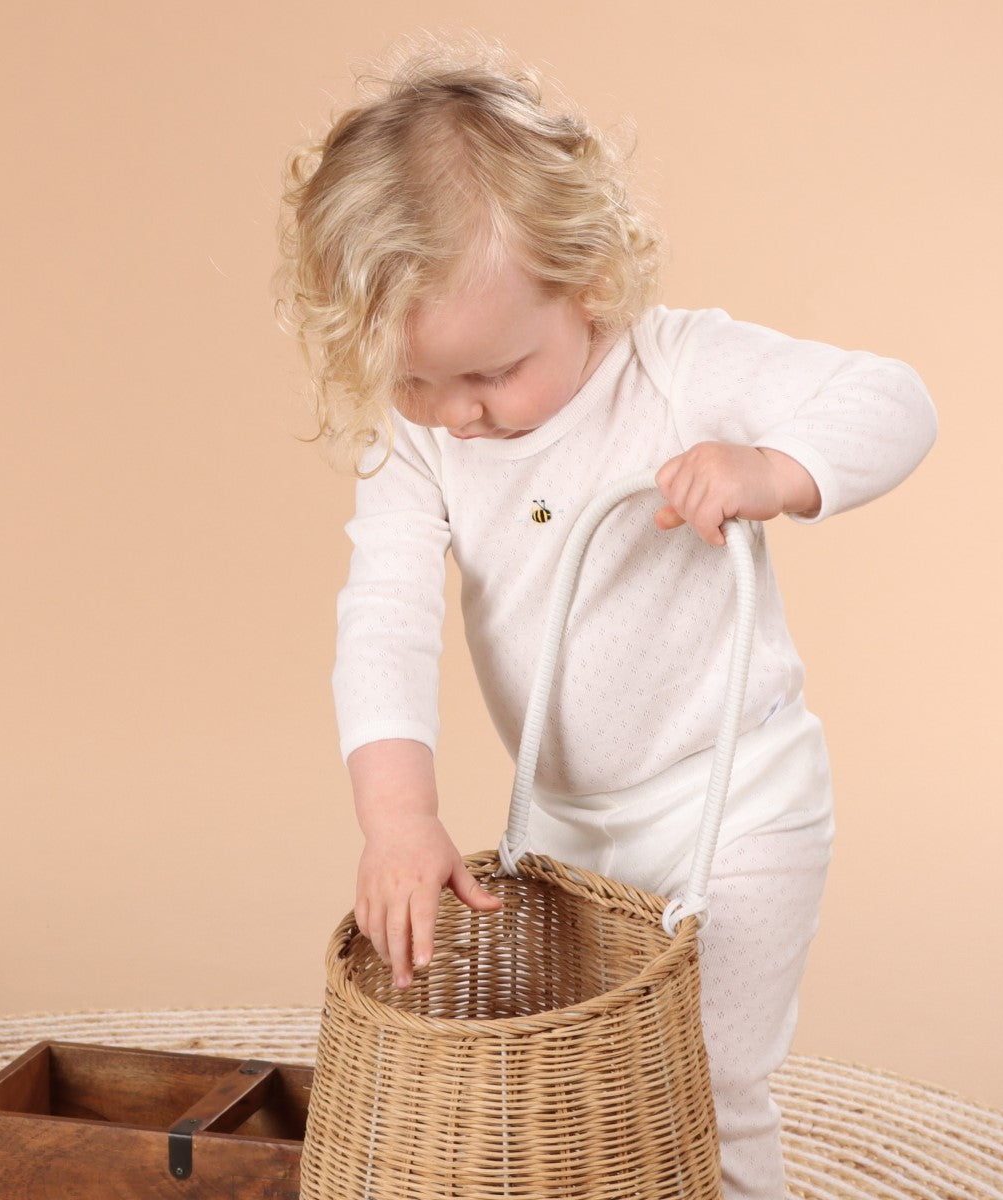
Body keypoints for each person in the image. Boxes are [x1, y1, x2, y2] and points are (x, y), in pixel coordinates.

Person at [276, 38, 936, 1200]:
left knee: (705, 1086)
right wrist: (399, 817)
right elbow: (384, 615)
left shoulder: (674, 370)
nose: (459, 414)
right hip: (567, 825)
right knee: (593, 1092)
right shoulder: (422, 441)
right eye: (418, 381)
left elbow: (894, 400)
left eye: (494, 373)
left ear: (585, 282)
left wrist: (773, 471)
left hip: (736, 806)